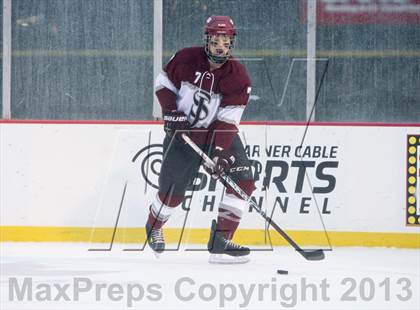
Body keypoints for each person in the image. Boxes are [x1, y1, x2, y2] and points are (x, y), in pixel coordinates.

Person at [145, 15, 255, 264]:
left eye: (225, 40)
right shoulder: (186, 58)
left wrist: (218, 153)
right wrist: (171, 114)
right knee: (172, 192)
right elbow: (163, 84)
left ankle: (221, 240)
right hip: (183, 133)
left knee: (244, 181)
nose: (220, 46)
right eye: (215, 39)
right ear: (207, 39)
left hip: (216, 133)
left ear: (232, 42)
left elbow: (228, 121)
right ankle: (154, 225)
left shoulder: (238, 75)